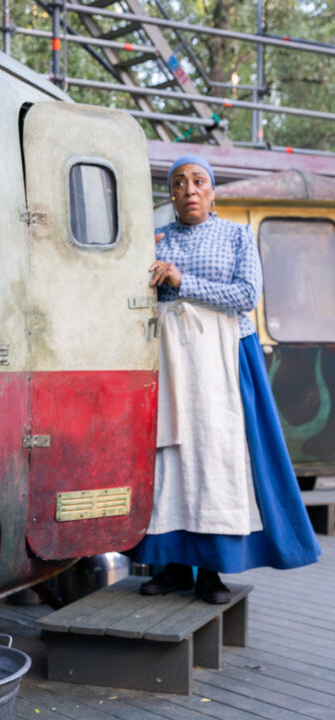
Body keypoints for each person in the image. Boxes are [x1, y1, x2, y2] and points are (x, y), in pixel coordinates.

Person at [133, 154, 320, 604]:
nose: (189, 189)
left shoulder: (235, 235)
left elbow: (245, 294)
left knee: (219, 459)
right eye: (179, 183)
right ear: (172, 195)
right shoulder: (155, 242)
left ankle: (212, 572)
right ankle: (174, 566)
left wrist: (182, 280)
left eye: (199, 181)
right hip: (174, 363)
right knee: (172, 458)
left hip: (224, 360)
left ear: (212, 191)